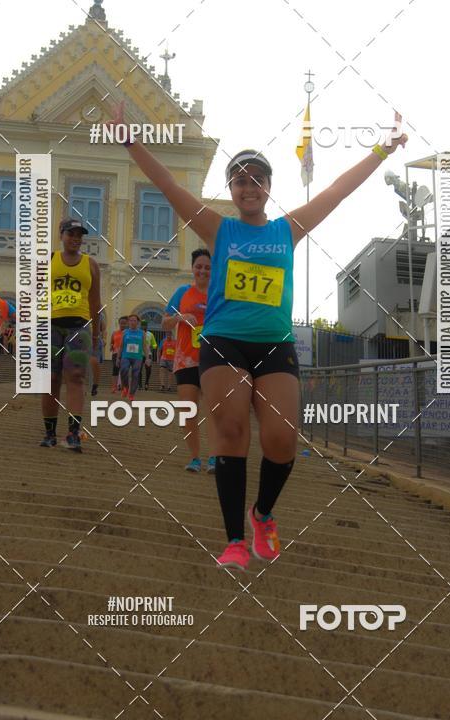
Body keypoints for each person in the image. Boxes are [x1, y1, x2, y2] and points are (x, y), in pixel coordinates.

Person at [124, 128, 406, 570]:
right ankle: (235, 541)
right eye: (240, 180)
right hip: (224, 342)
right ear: (231, 189)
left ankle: (262, 514)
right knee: (232, 432)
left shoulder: (286, 229)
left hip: (274, 345)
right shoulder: (218, 228)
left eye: (257, 179)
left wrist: (380, 150)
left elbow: (337, 191)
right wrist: (130, 142)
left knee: (281, 440)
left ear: (269, 187)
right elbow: (167, 185)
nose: (249, 186)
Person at [40, 218, 101, 452]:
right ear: (61, 235)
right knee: (51, 379)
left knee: (76, 377)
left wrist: (96, 333)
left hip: (79, 326)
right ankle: (49, 433)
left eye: (79, 235)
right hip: (51, 324)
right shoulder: (49, 260)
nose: (75, 239)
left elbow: (95, 301)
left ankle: (73, 433)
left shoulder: (90, 264)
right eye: (71, 234)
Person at [161, 248, 215, 473]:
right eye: (198, 266)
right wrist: (180, 317)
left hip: (214, 359)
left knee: (214, 411)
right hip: (186, 360)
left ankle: (214, 458)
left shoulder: (218, 293)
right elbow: (164, 323)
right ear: (192, 268)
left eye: (207, 267)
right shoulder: (182, 292)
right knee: (188, 410)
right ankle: (195, 458)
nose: (202, 271)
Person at [119, 313, 148, 401]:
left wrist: (147, 358)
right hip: (126, 356)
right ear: (128, 322)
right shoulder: (125, 332)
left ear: (138, 322)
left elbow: (144, 346)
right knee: (124, 370)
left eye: (134, 320)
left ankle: (131, 394)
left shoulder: (142, 333)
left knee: (135, 375)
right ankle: (126, 387)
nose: (132, 322)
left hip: (137, 357)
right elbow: (121, 346)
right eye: (131, 320)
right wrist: (118, 357)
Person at [110, 315, 128, 393]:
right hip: (115, 353)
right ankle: (114, 387)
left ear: (127, 324)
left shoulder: (128, 333)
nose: (122, 325)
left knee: (124, 370)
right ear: (119, 323)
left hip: (125, 353)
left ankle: (124, 388)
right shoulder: (114, 333)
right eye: (121, 323)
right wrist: (111, 346)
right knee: (115, 369)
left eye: (124, 323)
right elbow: (112, 342)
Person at [90, 311, 106, 396]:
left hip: (96, 340)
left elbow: (103, 329)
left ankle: (95, 385)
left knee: (96, 363)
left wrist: (104, 339)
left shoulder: (100, 315)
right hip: (83, 339)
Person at [138, 324, 157, 390]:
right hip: (139, 354)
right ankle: (140, 385)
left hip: (148, 354)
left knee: (148, 369)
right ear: (141, 326)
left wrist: (153, 346)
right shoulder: (138, 333)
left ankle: (146, 383)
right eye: (142, 325)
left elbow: (154, 344)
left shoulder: (150, 334)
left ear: (147, 326)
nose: (144, 327)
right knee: (139, 370)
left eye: (145, 325)